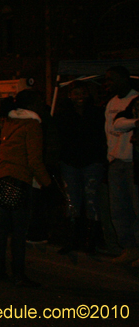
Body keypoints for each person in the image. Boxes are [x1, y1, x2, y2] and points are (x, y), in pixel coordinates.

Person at [0, 90, 52, 287]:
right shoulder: (32, 125)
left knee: (2, 228)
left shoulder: (10, 122)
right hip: (19, 178)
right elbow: (34, 161)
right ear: (33, 105)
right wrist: (48, 183)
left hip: (2, 176)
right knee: (19, 230)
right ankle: (18, 274)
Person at [54, 82, 107, 254]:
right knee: (72, 202)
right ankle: (72, 240)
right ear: (70, 96)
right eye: (76, 93)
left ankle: (91, 241)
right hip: (69, 162)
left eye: (83, 93)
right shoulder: (63, 115)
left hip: (92, 162)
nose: (80, 97)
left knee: (92, 201)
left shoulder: (97, 113)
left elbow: (102, 137)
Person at [102, 66, 139, 265]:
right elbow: (109, 131)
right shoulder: (111, 103)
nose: (108, 83)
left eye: (111, 79)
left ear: (124, 79)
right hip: (116, 161)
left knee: (136, 208)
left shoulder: (135, 100)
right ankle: (129, 248)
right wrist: (110, 156)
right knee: (118, 209)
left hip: (133, 162)